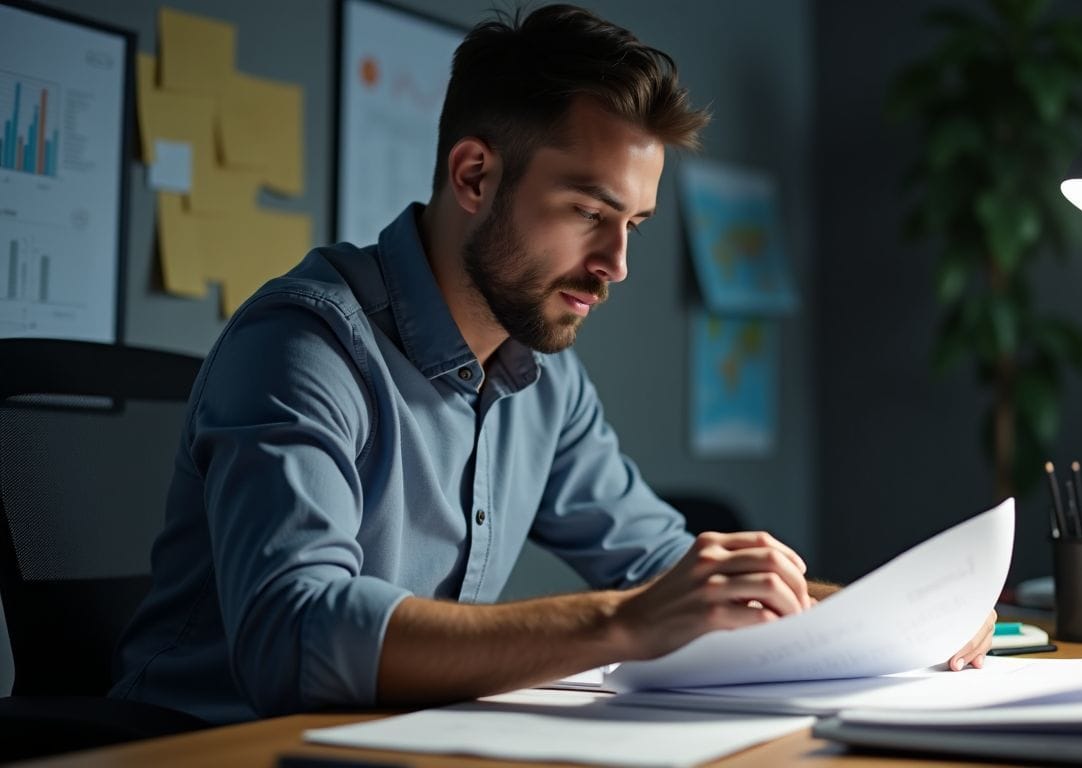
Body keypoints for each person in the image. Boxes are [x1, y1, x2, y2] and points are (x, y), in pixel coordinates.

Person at [111, 4, 994, 724]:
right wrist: (625, 622)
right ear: (473, 176)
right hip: (196, 747)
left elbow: (666, 567)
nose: (616, 265)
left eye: (634, 225)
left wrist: (901, 616)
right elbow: (293, 636)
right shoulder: (304, 345)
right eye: (586, 211)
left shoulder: (544, 376)